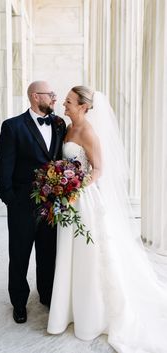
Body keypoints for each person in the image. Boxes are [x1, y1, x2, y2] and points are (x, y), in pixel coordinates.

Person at [47, 86, 167, 352]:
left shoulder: (88, 132)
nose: (64, 105)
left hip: (83, 201)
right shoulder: (66, 128)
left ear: (83, 106)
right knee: (68, 253)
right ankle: (68, 307)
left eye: (68, 102)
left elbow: (99, 169)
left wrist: (74, 187)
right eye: (65, 101)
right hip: (68, 202)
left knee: (87, 256)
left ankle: (90, 314)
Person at [0, 81, 66, 324]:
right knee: (19, 254)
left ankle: (46, 295)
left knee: (48, 252)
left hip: (51, 204)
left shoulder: (59, 124)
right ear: (36, 97)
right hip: (21, 204)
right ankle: (18, 303)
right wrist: (10, 199)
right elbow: (2, 165)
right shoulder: (12, 126)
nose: (55, 99)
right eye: (51, 94)